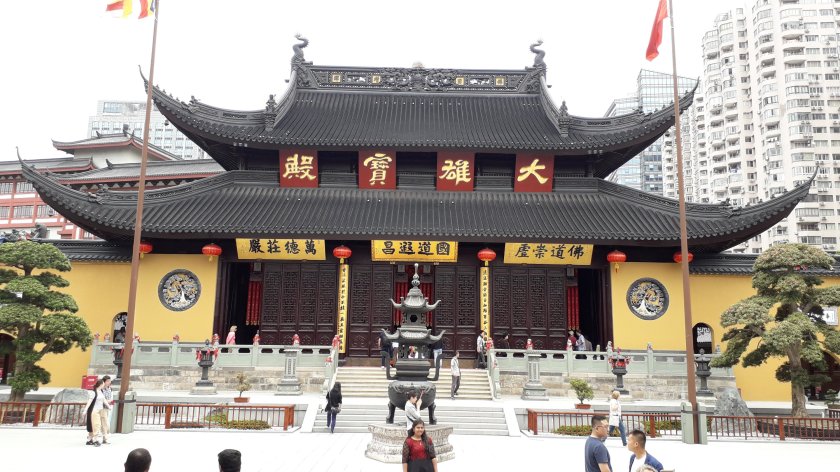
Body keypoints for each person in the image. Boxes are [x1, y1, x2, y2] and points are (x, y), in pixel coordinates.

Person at [85, 379, 104, 446]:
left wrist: (108, 406)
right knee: (96, 425)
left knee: (93, 425)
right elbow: (89, 401)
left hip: (99, 410)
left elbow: (103, 400)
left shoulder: (101, 391)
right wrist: (85, 410)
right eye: (103, 383)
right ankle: (95, 440)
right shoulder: (94, 392)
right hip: (94, 410)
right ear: (101, 384)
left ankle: (89, 439)